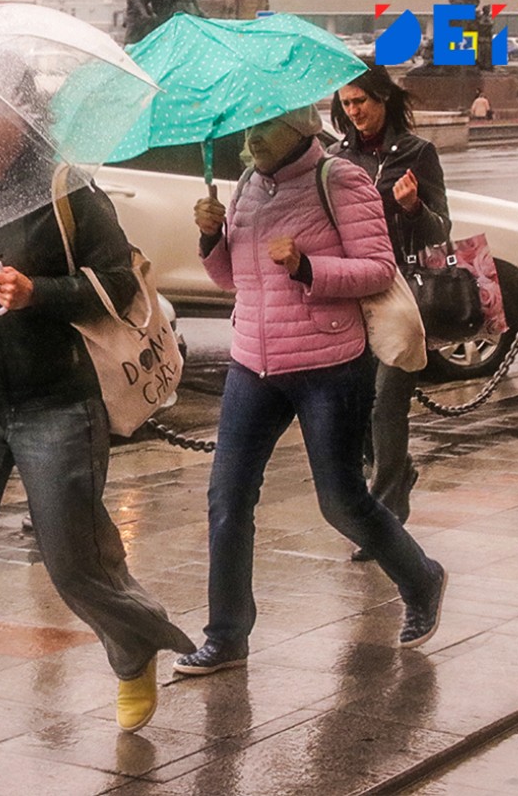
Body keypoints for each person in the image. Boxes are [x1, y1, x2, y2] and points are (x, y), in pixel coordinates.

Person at [0, 63, 195, 786]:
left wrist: (39, 291)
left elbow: (118, 280)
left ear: (23, 113)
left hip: (60, 401)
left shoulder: (68, 190)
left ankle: (133, 642)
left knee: (75, 561)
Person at [172, 104, 447, 677]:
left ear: (299, 128)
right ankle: (226, 635)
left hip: (328, 363)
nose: (253, 136)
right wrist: (209, 239)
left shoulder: (339, 179)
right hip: (253, 362)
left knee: (340, 501)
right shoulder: (247, 184)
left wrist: (306, 267)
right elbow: (231, 280)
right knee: (227, 499)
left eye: (265, 125)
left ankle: (421, 578)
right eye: (251, 126)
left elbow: (377, 268)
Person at [329, 64, 452, 563]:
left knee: (386, 402)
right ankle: (394, 474)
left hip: (400, 292)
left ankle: (382, 519)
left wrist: (413, 209)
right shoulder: (339, 158)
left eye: (361, 101)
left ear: (383, 99)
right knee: (354, 407)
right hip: (353, 290)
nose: (353, 112)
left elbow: (441, 230)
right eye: (346, 104)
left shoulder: (418, 154)